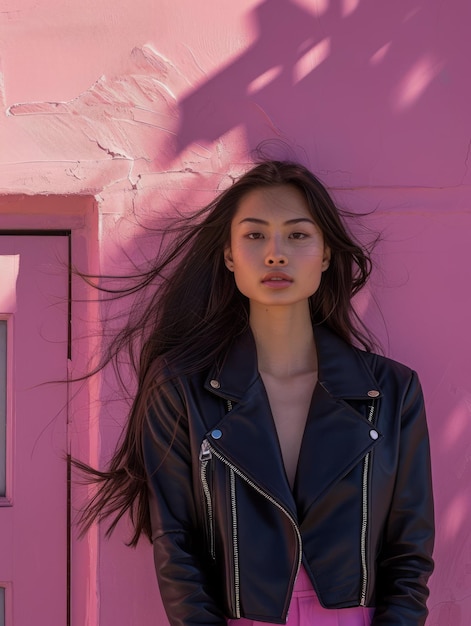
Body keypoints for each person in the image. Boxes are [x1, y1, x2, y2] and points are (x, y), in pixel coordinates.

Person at [76, 160, 434, 626]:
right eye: (255, 235)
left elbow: (410, 551)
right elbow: (176, 542)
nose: (275, 254)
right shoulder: (182, 389)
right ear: (228, 255)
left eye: (298, 235)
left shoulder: (392, 392)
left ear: (326, 254)